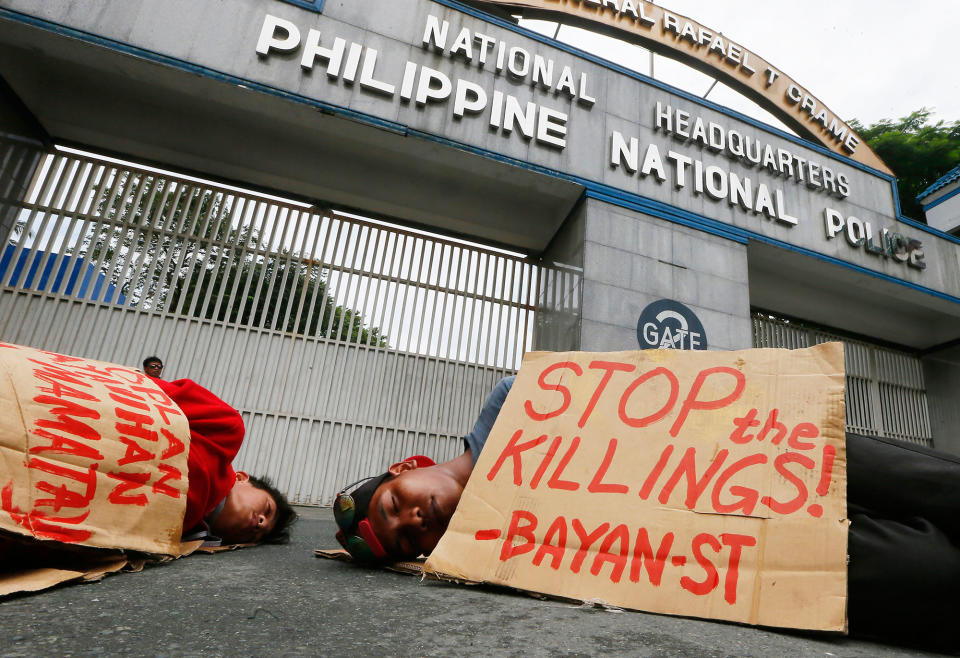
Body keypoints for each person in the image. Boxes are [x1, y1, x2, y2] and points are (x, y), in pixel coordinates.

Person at [334, 376, 960, 650]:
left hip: (759, 454)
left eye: (395, 506)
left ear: (402, 469)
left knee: (933, 487)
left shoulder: (512, 400)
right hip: (731, 546)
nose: (413, 522)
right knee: (925, 577)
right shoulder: (508, 556)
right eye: (407, 542)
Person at [150, 376, 296, 545]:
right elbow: (149, 389)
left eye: (256, 537)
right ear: (241, 478)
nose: (262, 524)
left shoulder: (174, 535)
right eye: (267, 509)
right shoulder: (225, 433)